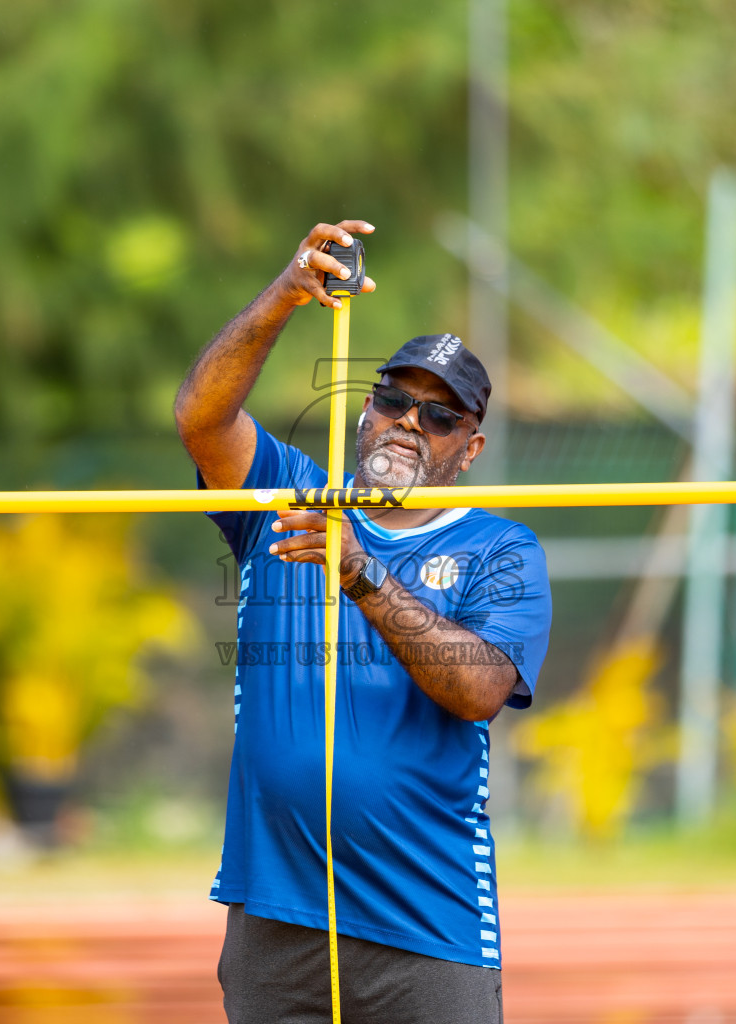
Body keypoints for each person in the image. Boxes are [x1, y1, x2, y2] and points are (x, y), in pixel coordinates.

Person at [174, 219, 553, 1024]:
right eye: (395, 400)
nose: (410, 422)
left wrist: (364, 575)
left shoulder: (502, 548)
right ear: (365, 409)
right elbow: (202, 421)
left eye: (441, 416)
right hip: (275, 916)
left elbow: (480, 689)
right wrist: (284, 296)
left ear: (471, 447)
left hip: (426, 923)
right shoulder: (289, 496)